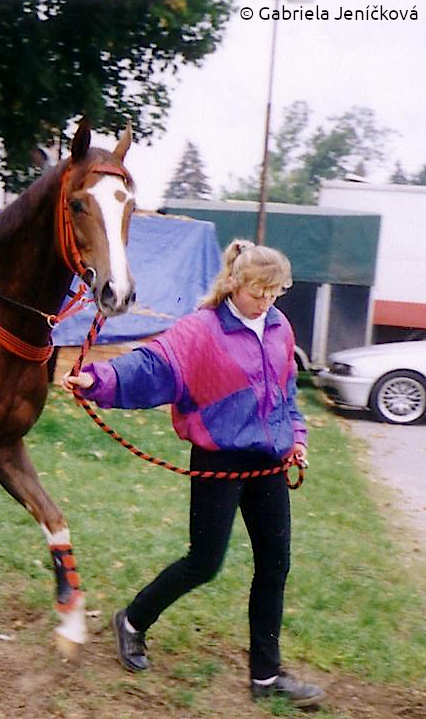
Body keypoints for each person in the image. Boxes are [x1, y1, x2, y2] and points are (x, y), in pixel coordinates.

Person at [62, 239, 325, 708]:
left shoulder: (279, 327)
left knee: (275, 565)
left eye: (275, 292)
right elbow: (152, 365)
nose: (266, 301)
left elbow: (286, 391)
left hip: (269, 462)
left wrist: (297, 439)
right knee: (205, 561)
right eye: (258, 291)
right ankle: (132, 621)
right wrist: (98, 380)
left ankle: (266, 677)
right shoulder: (201, 330)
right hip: (218, 459)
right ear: (234, 283)